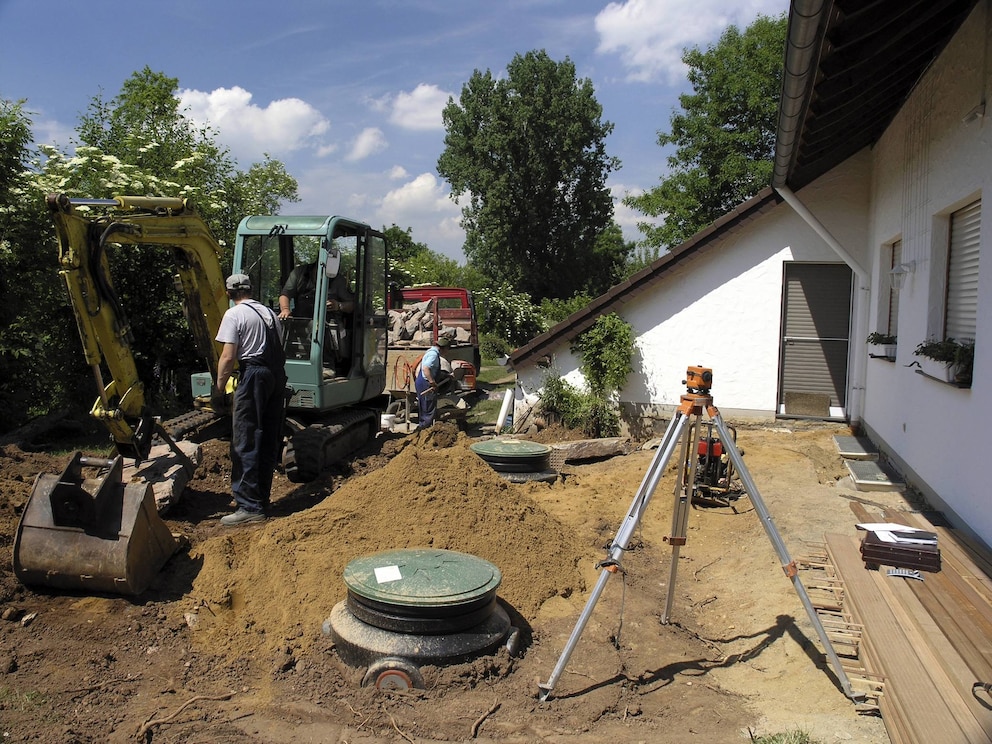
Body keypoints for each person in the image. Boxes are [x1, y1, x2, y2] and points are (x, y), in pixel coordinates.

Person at [214, 273, 287, 525]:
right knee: (267, 437)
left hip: (254, 374)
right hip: (276, 376)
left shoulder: (233, 315)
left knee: (245, 438)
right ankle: (261, 499)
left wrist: (219, 388)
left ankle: (248, 507)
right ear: (250, 289)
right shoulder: (268, 313)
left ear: (228, 293)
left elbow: (227, 356)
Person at [278, 263, 355, 371]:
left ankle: (326, 365)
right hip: (301, 320)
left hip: (328, 324)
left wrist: (338, 305)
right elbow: (285, 294)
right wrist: (285, 309)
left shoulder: (338, 280)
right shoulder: (299, 273)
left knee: (319, 327)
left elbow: (352, 304)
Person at [414, 335, 452, 429]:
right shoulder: (433, 355)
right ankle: (425, 432)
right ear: (444, 348)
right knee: (428, 409)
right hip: (426, 384)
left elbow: (430, 370)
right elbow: (426, 368)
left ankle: (423, 430)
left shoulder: (431, 351)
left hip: (422, 381)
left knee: (424, 408)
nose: (447, 352)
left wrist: (447, 376)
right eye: (447, 349)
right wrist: (432, 382)